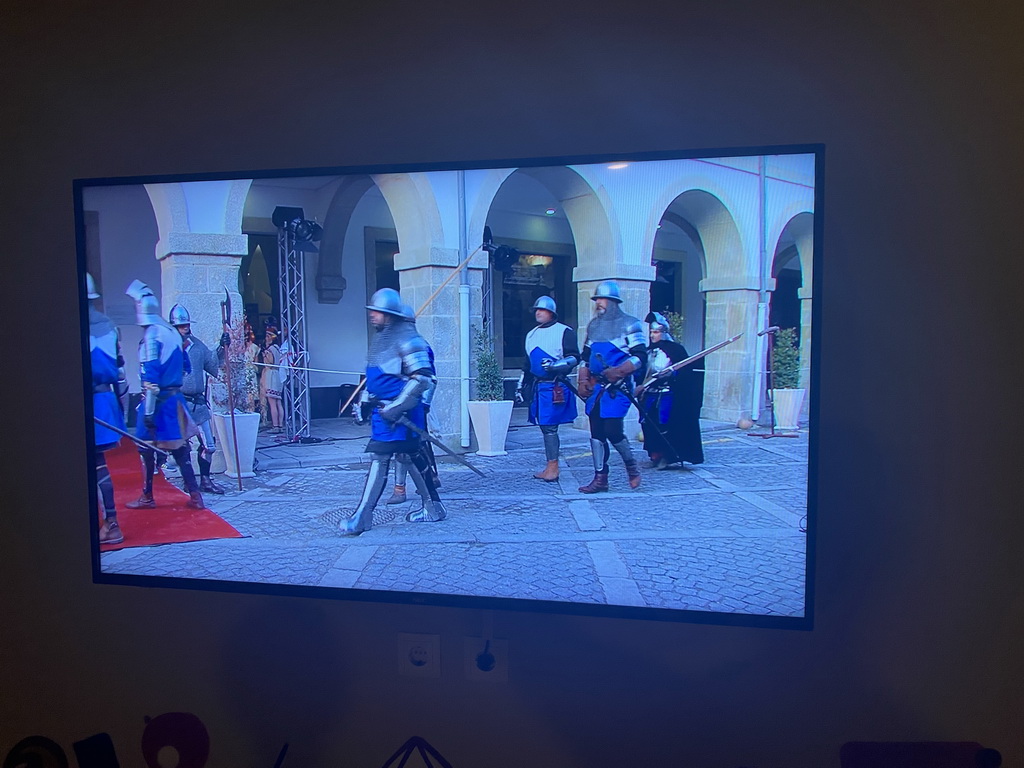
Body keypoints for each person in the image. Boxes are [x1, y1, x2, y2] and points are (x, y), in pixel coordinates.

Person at [339, 288, 445, 535]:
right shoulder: (382, 341)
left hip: (402, 415)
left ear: (390, 315)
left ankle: (362, 517)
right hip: (383, 414)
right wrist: (364, 404)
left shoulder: (411, 341)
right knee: (410, 457)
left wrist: (397, 406)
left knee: (380, 457)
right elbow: (374, 379)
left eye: (378, 312)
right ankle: (433, 507)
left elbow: (423, 380)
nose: (372, 315)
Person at [123, 281, 205, 510]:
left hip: (158, 402)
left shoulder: (152, 337)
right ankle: (196, 496)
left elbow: (150, 376)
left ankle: (147, 496)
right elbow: (186, 366)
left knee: (144, 448)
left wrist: (148, 411)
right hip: (175, 399)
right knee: (180, 450)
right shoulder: (172, 334)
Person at [576, 281, 646, 493]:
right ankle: (600, 478)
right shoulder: (594, 325)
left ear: (613, 301)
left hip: (618, 388)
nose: (598, 303)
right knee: (596, 431)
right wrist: (582, 378)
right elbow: (585, 357)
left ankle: (631, 466)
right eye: (596, 299)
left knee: (613, 430)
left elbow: (641, 356)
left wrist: (621, 370)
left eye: (601, 299)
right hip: (596, 387)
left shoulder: (630, 324)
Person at [514, 296, 579, 482]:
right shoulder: (531, 334)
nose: (538, 312)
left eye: (541, 310)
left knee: (550, 427)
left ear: (551, 312)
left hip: (554, 385)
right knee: (544, 426)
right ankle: (550, 465)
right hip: (538, 386)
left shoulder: (564, 332)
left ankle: (553, 467)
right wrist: (520, 385)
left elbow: (574, 357)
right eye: (536, 310)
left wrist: (556, 366)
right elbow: (527, 364)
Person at [168, 303, 230, 494]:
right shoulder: (168, 348)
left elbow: (212, 362)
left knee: (209, 446)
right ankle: (188, 481)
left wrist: (222, 347)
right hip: (179, 404)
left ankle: (205, 480)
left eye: (186, 324)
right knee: (183, 447)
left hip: (198, 404)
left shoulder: (196, 345)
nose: (185, 328)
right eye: (181, 325)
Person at [386, 304, 441, 505]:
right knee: (400, 446)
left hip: (414, 405)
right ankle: (404, 487)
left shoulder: (419, 345)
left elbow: (429, 379)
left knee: (412, 448)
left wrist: (423, 405)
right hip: (395, 404)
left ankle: (415, 487)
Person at [635, 312, 705, 470]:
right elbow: (641, 373)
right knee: (648, 425)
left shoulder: (676, 351)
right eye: (651, 332)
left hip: (667, 394)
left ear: (664, 332)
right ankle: (655, 454)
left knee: (664, 425)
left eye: (656, 332)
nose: (653, 335)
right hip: (648, 394)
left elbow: (686, 374)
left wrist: (673, 374)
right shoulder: (647, 351)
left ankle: (668, 455)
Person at [87, 273, 127, 544]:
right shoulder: (110, 325)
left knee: (93, 465)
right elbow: (120, 369)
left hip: (89, 401)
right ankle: (110, 522)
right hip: (106, 401)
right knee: (98, 465)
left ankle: (110, 523)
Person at [260, 326, 284, 433]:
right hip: (277, 373)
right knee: (278, 401)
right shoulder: (278, 348)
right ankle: (280, 424)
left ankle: (275, 426)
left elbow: (269, 363)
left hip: (271, 374)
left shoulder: (270, 349)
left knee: (272, 402)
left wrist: (264, 355)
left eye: (267, 336)